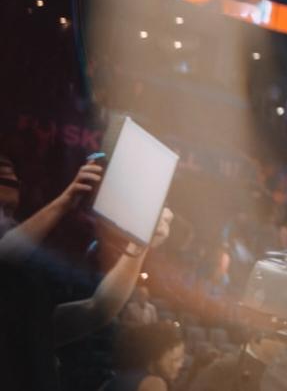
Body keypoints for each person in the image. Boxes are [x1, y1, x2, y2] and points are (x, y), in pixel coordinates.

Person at [0, 155, 174, 391]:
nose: (6, 221)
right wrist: (64, 202)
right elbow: (4, 256)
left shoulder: (21, 313)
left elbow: (98, 309)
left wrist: (140, 243)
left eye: (9, 210)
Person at [113, 320, 185, 391]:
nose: (180, 365)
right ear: (156, 356)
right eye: (175, 360)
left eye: (182, 358)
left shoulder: (126, 375)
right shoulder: (153, 384)